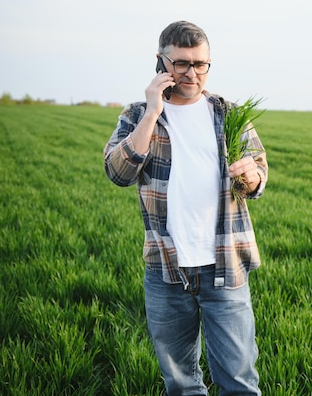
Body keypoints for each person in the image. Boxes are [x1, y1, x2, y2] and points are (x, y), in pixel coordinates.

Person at [103, 20, 267, 396]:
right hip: (166, 271)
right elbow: (118, 173)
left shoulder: (230, 114)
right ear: (160, 62)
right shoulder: (136, 115)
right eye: (181, 63)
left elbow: (259, 175)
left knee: (240, 383)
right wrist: (151, 113)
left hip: (224, 267)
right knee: (181, 384)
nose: (192, 73)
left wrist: (252, 177)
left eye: (200, 64)